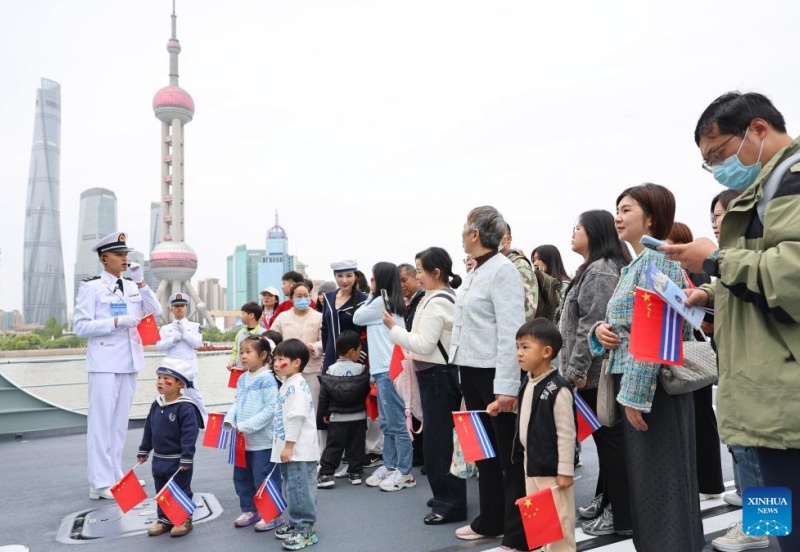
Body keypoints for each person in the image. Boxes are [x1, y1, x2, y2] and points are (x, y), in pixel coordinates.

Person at [662, 91, 800, 552]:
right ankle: (760, 530)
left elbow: (790, 276)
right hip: (760, 387)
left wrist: (717, 261)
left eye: (719, 153)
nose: (718, 167)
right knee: (763, 482)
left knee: (781, 500)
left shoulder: (790, 182)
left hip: (780, 388)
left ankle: (760, 530)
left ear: (758, 129)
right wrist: (712, 290)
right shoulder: (767, 186)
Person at [591, 183, 703, 551]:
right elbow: (626, 323)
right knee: (653, 480)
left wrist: (635, 397)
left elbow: (655, 333)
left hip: (652, 389)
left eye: (626, 210)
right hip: (641, 383)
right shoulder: (638, 263)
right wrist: (600, 331)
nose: (618, 217)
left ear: (651, 219)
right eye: (617, 210)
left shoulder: (657, 261)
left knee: (661, 481)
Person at [450, 206, 526, 552]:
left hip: (494, 374)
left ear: (475, 233)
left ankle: (518, 534)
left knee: (508, 458)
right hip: (471, 370)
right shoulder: (476, 270)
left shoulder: (502, 270)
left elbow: (511, 331)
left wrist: (507, 387)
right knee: (483, 452)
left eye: (464, 228)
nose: (461, 234)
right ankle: (491, 520)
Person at [558, 210, 632, 536]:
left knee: (611, 443)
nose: (573, 232)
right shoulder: (594, 268)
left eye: (578, 227)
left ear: (595, 232)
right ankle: (608, 500)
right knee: (606, 443)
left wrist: (575, 371)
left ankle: (621, 514)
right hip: (594, 372)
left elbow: (590, 325)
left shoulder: (601, 270)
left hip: (595, 373)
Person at [73, 231, 162, 500]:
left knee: (119, 423)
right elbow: (80, 327)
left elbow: (156, 311)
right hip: (104, 362)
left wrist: (142, 283)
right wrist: (115, 322)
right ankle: (99, 483)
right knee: (101, 423)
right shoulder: (92, 287)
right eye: (119, 254)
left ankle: (115, 475)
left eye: (126, 254)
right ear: (104, 259)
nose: (124, 258)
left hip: (129, 360)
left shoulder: (133, 286)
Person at [384, 246, 467, 525]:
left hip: (438, 377)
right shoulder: (433, 297)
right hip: (434, 376)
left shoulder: (438, 301)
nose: (416, 276)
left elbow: (423, 343)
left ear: (436, 272)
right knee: (436, 442)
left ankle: (451, 503)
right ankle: (445, 495)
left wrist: (394, 330)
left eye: (419, 271)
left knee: (439, 444)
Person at [492, 319, 575, 552]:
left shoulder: (558, 388)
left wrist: (565, 471)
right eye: (517, 347)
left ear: (546, 352)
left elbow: (567, 434)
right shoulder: (529, 381)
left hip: (552, 468)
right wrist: (506, 407)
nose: (519, 353)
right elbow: (530, 411)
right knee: (540, 522)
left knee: (559, 521)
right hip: (532, 462)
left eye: (525, 347)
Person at [666, 222, 726, 505]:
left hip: (698, 354)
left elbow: (707, 313)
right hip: (702, 354)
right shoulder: (690, 270)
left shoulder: (700, 269)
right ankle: (711, 483)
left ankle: (711, 483)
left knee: (703, 420)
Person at [354, 262, 413, 492]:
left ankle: (404, 471)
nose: (371, 281)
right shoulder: (388, 301)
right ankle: (391, 466)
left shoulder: (381, 302)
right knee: (388, 423)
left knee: (396, 423)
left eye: (374, 277)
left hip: (389, 370)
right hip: (384, 369)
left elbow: (357, 317)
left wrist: (371, 294)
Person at [137, 358, 203, 538]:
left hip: (178, 460)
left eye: (166, 378)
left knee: (180, 489)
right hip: (159, 459)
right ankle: (164, 519)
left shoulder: (185, 407)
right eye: (159, 377)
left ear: (180, 383)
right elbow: (149, 428)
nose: (160, 381)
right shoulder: (156, 404)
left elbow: (190, 434)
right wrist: (144, 449)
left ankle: (183, 519)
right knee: (161, 491)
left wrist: (187, 456)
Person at [223, 335, 283, 532]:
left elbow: (271, 409)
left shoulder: (268, 379)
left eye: (248, 352)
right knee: (242, 477)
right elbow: (237, 402)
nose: (243, 356)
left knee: (263, 477)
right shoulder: (242, 378)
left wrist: (246, 425)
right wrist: (230, 419)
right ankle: (250, 509)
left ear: (263, 355)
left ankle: (272, 514)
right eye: (241, 352)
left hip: (263, 441)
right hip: (243, 440)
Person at [272, 339, 320, 550]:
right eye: (275, 359)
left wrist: (289, 446)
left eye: (281, 359)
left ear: (296, 362)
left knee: (300, 490)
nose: (276, 364)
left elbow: (297, 417)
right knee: (293, 488)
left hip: (298, 451)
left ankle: (305, 530)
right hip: (291, 450)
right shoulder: (288, 384)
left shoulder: (297, 387)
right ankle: (296, 524)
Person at [316, 331, 370, 488]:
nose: (360, 353)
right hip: (359, 416)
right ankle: (355, 472)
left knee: (334, 446)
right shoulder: (361, 369)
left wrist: (324, 413)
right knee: (356, 446)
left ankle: (327, 474)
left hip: (337, 417)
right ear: (352, 351)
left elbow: (324, 396)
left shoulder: (331, 370)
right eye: (359, 350)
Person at [271, 282, 323, 415]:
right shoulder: (282, 317)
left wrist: (313, 346)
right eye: (299, 296)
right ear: (292, 298)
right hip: (287, 370)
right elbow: (272, 339)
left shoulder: (318, 316)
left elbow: (325, 341)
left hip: (312, 369)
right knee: (289, 405)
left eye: (306, 295)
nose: (303, 299)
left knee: (313, 405)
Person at [156, 293, 207, 424]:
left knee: (194, 395)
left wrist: (184, 335)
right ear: (171, 309)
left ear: (186, 308)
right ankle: (171, 423)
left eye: (182, 306)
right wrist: (173, 340)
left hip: (188, 368)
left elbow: (198, 344)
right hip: (172, 369)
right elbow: (159, 346)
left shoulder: (195, 326)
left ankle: (205, 422)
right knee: (170, 395)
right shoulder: (166, 328)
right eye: (176, 306)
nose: (179, 308)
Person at [501, 223, 538, 321]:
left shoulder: (519, 265)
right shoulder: (493, 264)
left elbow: (528, 309)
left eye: (496, 235)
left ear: (508, 239)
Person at [227, 302, 266, 371]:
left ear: (251, 315)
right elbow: (235, 351)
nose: (241, 316)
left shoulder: (264, 333)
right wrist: (232, 362)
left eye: (243, 314)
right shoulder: (240, 333)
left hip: (257, 373)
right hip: (240, 372)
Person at [398, 263, 425, 329]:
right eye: (398, 282)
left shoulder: (424, 300)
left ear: (416, 278)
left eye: (404, 280)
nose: (401, 285)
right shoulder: (402, 304)